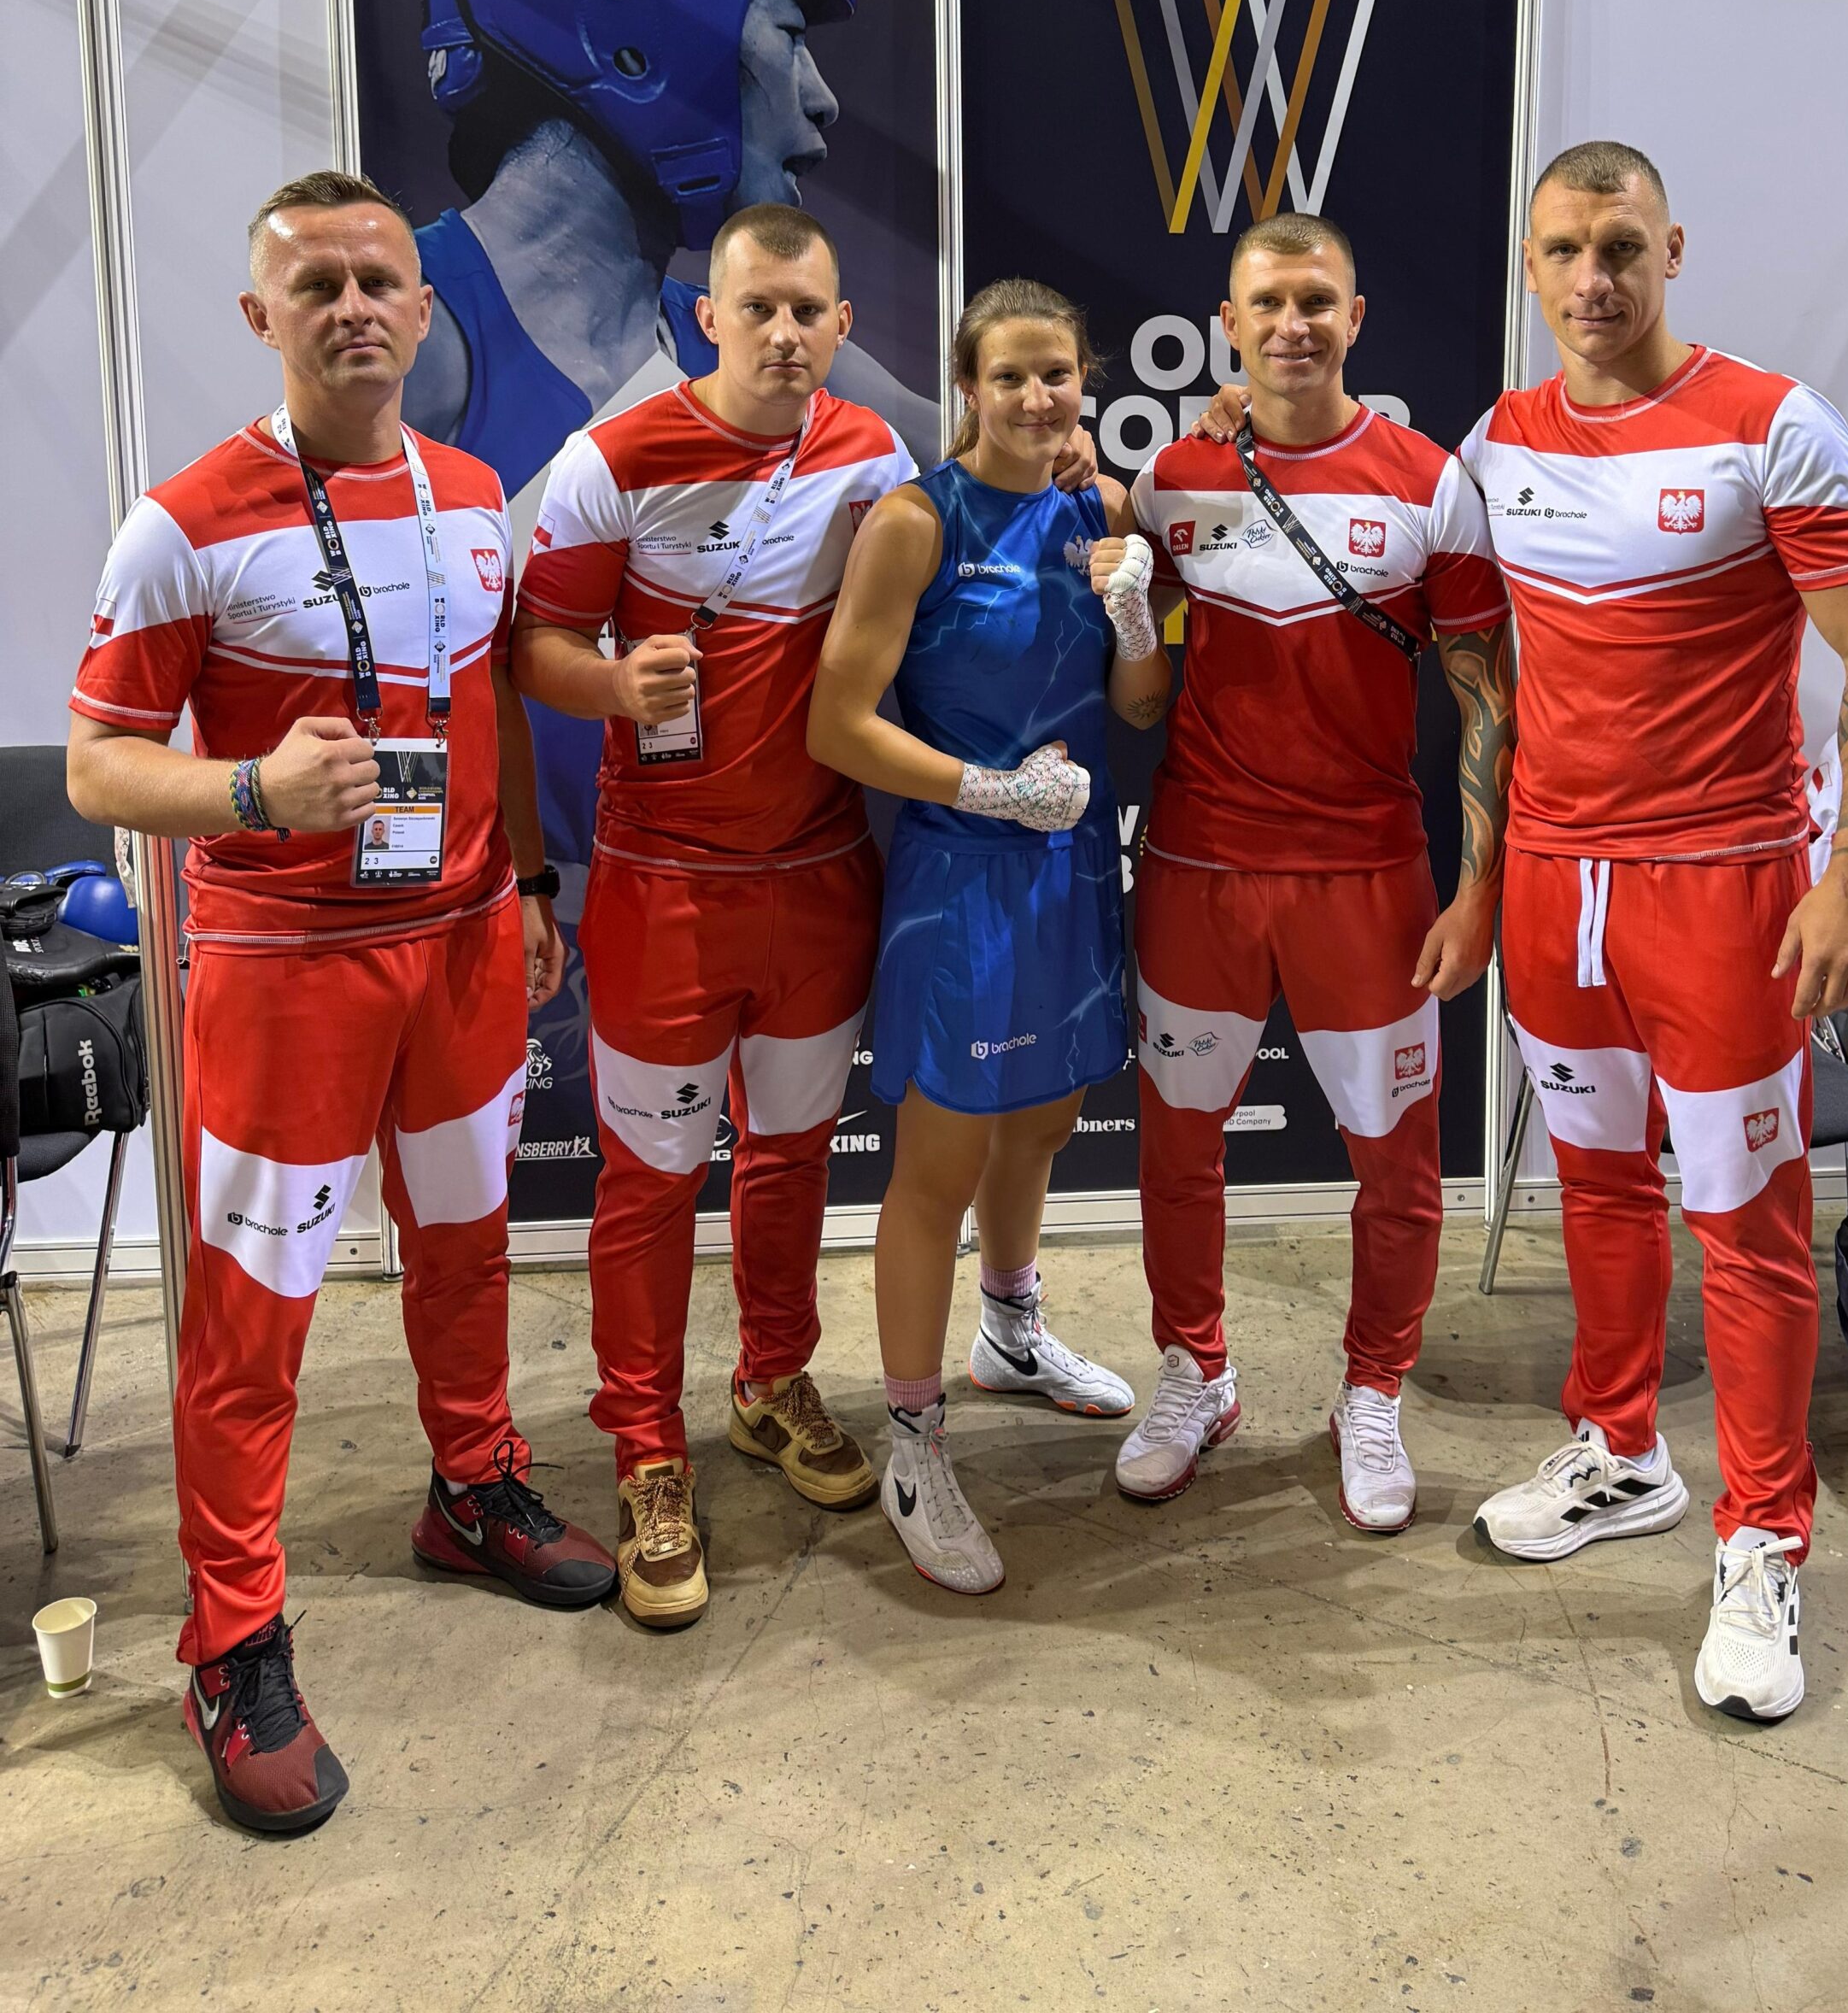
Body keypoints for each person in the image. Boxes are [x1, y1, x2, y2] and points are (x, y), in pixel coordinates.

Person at [66, 171, 616, 1837]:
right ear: (264, 315)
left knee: (465, 1248)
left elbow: (492, 696)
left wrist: (529, 882)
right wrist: (250, 789)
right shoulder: (183, 520)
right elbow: (99, 763)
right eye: (319, 286)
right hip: (285, 971)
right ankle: (231, 1638)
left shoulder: (472, 492)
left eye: (381, 279)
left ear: (425, 305)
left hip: (460, 945)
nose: (356, 307)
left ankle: (473, 1486)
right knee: (254, 1322)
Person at [513, 212, 1104, 1627]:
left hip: (821, 876)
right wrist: (610, 689)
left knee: (787, 1159)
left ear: (843, 325)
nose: (783, 334)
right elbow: (527, 650)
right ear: (706, 317)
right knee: (652, 1182)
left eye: (808, 311)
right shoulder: (611, 459)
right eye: (757, 307)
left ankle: (771, 1381)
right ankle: (646, 1449)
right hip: (664, 887)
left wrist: (1083, 465)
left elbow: (977, 522)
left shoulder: (875, 458)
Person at [1456, 143, 1848, 1720]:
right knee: (1596, 1183)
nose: (1590, 280)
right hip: (1554, 882)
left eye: (1619, 247)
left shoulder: (1771, 425)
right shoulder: (1500, 439)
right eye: (1562, 251)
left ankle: (1764, 1535)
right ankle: (1618, 1452)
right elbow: (1475, 660)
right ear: (1529, 265)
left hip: (1722, 890)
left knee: (1743, 1221)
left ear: (1671, 251)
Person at [1118, 214, 1517, 1535]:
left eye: (1315, 300)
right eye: (1266, 302)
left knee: (1396, 1166)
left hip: (1366, 879)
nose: (1290, 324)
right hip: (1197, 870)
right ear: (1225, 323)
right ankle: (1195, 1373)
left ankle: (1372, 1392)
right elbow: (1135, 688)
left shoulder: (1427, 481)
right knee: (1177, 1149)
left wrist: (1479, 886)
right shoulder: (1169, 478)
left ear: (1355, 318)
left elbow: (1486, 698)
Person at [807, 279, 1170, 1593]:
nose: (1033, 398)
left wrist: (1134, 612)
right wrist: (986, 791)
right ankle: (910, 1438)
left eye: (1055, 375)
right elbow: (835, 724)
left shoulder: (1098, 508)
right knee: (938, 1165)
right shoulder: (915, 522)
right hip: (961, 877)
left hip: (1071, 869)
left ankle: (1010, 1330)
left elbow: (1138, 706)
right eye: (1008, 376)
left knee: (1045, 1117)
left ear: (1084, 381)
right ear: (967, 385)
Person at [401, 0, 934, 494]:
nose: (823, 99)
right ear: (631, 35)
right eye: (790, 32)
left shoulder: (736, 335)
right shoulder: (400, 326)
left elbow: (992, 455)